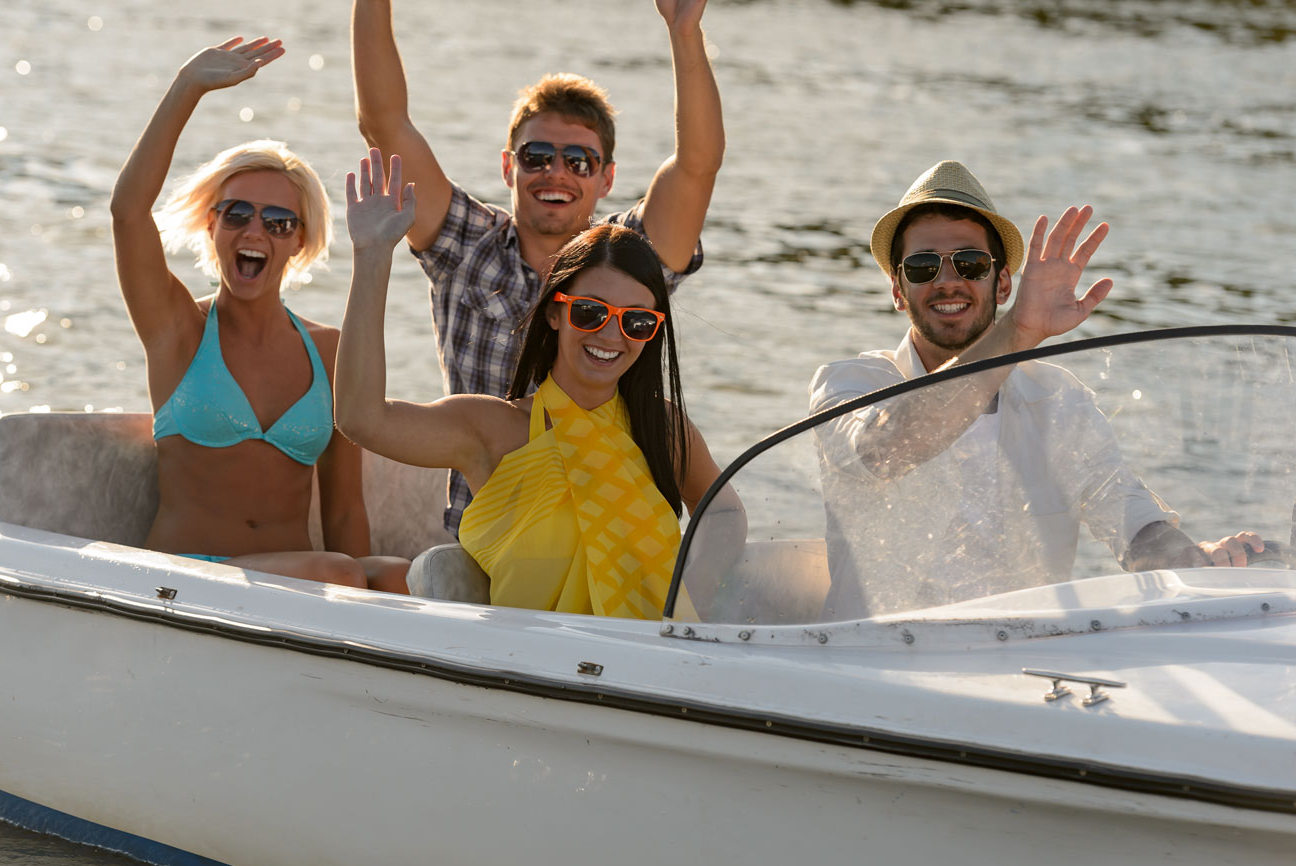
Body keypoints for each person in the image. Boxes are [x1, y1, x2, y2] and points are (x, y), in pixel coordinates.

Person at [808, 160, 1263, 620]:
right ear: (898, 290)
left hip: (1026, 669)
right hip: (871, 663)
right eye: (923, 266)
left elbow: (1133, 525)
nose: (947, 280)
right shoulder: (848, 383)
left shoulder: (1060, 400)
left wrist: (1200, 561)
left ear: (1002, 283)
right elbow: (885, 447)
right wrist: (1019, 330)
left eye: (970, 263)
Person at [351, 0, 724, 535]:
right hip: (487, 538)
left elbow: (697, 165)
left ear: (607, 177)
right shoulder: (464, 243)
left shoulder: (629, 255)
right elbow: (384, 125)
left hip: (610, 532)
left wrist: (684, 32)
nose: (556, 173)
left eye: (579, 162)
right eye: (536, 156)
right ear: (508, 164)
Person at [336, 150, 742, 618]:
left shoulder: (664, 426)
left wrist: (683, 604)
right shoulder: (491, 429)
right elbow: (360, 418)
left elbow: (725, 513)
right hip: (534, 671)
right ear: (555, 312)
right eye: (590, 312)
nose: (611, 335)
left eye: (636, 322)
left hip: (648, 669)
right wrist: (370, 257)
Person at [109, 36, 408, 592]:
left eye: (277, 222)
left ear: (298, 241)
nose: (254, 231)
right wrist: (187, 88)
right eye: (237, 214)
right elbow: (128, 213)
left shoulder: (328, 351)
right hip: (186, 580)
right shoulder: (178, 331)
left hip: (290, 589)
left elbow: (344, 511)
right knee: (339, 571)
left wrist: (368, 613)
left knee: (401, 577)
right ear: (211, 226)